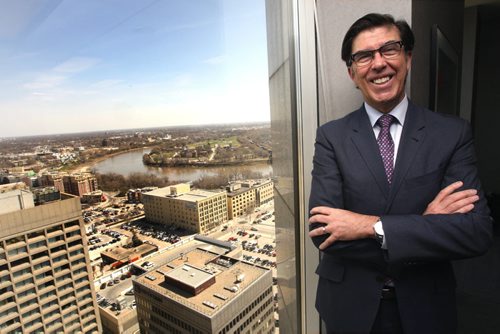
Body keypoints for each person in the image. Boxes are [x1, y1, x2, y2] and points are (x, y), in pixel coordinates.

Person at [308, 13, 493, 334]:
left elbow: (475, 232)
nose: (378, 63)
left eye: (389, 49)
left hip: (426, 305)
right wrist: (427, 223)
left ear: (408, 57)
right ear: (352, 73)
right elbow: (325, 234)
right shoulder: (331, 137)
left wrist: (371, 227)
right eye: (364, 56)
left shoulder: (452, 133)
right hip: (348, 307)